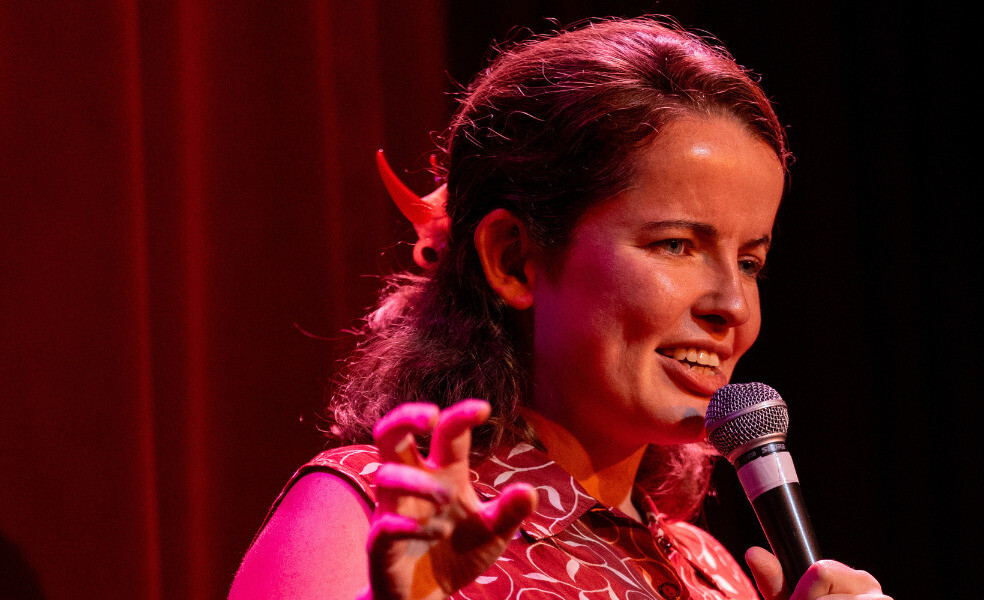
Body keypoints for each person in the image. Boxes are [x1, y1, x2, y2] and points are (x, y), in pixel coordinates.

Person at [230, 17, 889, 600]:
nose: (731, 305)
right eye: (677, 244)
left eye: (749, 262)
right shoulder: (367, 506)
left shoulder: (710, 569)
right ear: (515, 260)